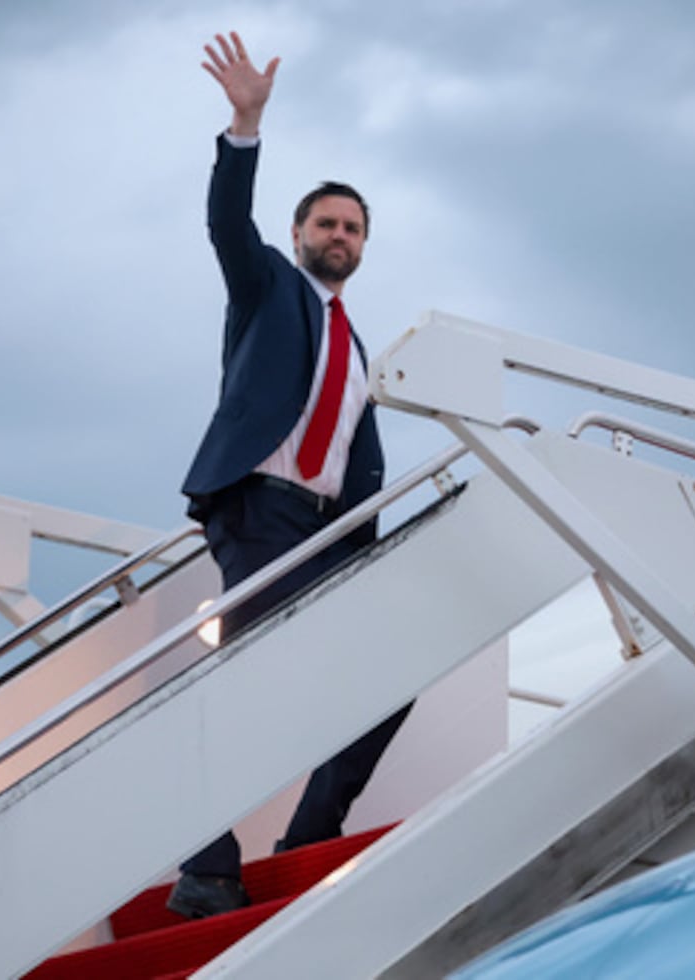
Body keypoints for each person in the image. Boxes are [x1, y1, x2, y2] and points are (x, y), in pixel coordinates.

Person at [168, 31, 411, 920]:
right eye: (326, 224)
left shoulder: (357, 346)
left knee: (394, 672)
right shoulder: (267, 287)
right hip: (262, 513)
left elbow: (357, 457)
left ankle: (308, 841)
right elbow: (228, 223)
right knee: (245, 686)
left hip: (330, 532)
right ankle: (205, 871)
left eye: (352, 228)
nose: (339, 236)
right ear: (301, 234)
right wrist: (245, 124)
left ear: (362, 246)